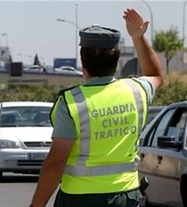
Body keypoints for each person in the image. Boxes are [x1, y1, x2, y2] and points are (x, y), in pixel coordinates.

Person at [30, 8, 164, 207]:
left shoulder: (71, 102)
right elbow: (156, 74)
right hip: (126, 197)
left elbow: (55, 164)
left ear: (82, 63)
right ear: (116, 61)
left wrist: (37, 205)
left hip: (79, 199)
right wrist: (138, 38)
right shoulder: (137, 91)